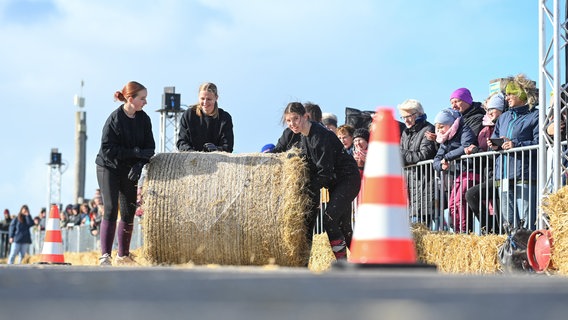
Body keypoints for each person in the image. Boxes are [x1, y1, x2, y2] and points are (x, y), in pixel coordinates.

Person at [283, 102, 361, 260]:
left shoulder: (320, 135)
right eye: (289, 121)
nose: (292, 124)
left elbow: (324, 172)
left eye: (296, 119)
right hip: (336, 183)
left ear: (306, 116)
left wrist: (307, 190)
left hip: (347, 179)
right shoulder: (304, 137)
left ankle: (342, 262)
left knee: (329, 220)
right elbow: (309, 164)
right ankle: (364, 260)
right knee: (343, 226)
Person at [95, 81, 155, 266]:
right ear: (130, 99)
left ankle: (123, 255)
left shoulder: (144, 120)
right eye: (142, 98)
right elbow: (107, 149)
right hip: (109, 167)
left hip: (130, 169)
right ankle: (105, 255)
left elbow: (150, 147)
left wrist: (139, 164)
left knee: (129, 211)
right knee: (112, 208)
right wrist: (134, 153)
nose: (145, 102)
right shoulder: (114, 119)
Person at [489, 74, 539, 230]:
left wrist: (516, 144)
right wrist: (495, 145)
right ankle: (513, 252)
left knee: (526, 221)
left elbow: (539, 143)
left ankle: (527, 251)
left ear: (522, 94)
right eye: (506, 94)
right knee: (508, 223)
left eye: (511, 93)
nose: (507, 97)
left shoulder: (535, 115)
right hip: (503, 176)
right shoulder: (503, 117)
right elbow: (495, 137)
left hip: (523, 175)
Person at [465, 93, 505, 233]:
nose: (488, 112)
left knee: (475, 195)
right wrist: (474, 149)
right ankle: (489, 230)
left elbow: (493, 151)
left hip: (501, 174)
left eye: (491, 109)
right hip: (488, 173)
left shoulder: (501, 125)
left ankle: (494, 232)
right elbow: (483, 149)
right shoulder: (484, 129)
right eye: (487, 109)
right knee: (475, 196)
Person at [433, 108, 477, 233]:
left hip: (468, 171)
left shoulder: (464, 130)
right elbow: (436, 159)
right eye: (438, 127)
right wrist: (440, 166)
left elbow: (465, 146)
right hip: (454, 176)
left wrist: (446, 157)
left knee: (459, 203)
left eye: (442, 126)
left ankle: (463, 231)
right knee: (452, 205)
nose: (440, 130)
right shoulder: (444, 139)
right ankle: (458, 231)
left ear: (450, 124)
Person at [398, 99, 438, 226]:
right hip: (409, 183)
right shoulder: (405, 132)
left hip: (424, 182)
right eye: (403, 117)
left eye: (408, 116)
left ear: (419, 114)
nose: (406, 120)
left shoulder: (428, 129)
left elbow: (424, 155)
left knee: (422, 224)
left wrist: (399, 153)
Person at [177, 82, 234, 153]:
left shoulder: (225, 118)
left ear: (216, 98)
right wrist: (195, 155)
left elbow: (228, 147)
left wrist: (215, 149)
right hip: (191, 159)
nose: (205, 102)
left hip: (218, 159)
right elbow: (182, 142)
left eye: (209, 99)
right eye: (202, 98)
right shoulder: (188, 115)